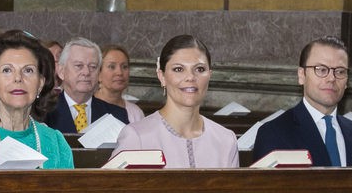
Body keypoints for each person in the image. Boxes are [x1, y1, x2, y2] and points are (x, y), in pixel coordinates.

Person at [113, 35, 238, 168]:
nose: (190, 77)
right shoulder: (137, 137)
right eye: (178, 69)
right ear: (162, 77)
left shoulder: (226, 140)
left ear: (209, 76)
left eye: (199, 69)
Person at [0, 31, 73, 169]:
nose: (18, 78)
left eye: (28, 70)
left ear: (40, 83)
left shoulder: (56, 142)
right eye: (7, 70)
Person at [254, 36, 352, 166]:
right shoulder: (274, 133)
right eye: (322, 70)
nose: (331, 78)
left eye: (340, 71)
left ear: (347, 81)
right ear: (302, 75)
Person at [44, 37, 128, 134]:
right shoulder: (44, 112)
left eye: (93, 67)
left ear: (99, 73)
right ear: (61, 71)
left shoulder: (116, 115)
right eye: (79, 66)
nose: (86, 72)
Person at [95, 44, 145, 124]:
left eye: (124, 67)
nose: (119, 72)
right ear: (99, 74)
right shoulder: (85, 109)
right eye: (112, 67)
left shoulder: (136, 113)